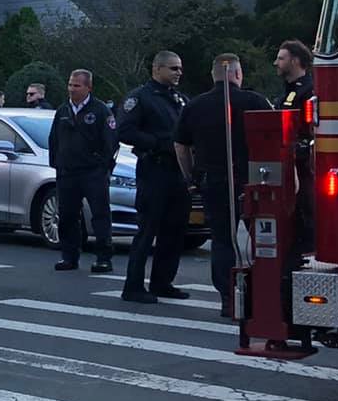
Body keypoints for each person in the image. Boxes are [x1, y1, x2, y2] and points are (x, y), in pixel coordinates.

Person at [175, 54, 274, 316]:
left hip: (214, 181)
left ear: (213, 75)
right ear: (238, 74)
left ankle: (229, 299)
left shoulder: (194, 106)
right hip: (253, 181)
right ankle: (264, 296)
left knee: (222, 241)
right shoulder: (256, 102)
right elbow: (276, 139)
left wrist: (190, 177)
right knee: (262, 239)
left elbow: (180, 145)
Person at [117, 49, 191, 305]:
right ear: (157, 69)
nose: (179, 72)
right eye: (173, 68)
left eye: (180, 68)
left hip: (177, 172)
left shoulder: (179, 99)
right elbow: (125, 131)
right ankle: (133, 286)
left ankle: (162, 281)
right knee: (147, 230)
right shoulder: (141, 98)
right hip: (154, 169)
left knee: (175, 230)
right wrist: (158, 143)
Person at [48, 68, 117, 275]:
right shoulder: (62, 111)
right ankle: (69, 256)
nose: (72, 89)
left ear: (88, 87)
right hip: (68, 172)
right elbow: (54, 140)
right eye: (70, 85)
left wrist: (102, 165)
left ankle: (103, 258)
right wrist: (57, 164)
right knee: (68, 216)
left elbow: (111, 141)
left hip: (93, 173)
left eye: (76, 86)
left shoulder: (100, 110)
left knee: (100, 215)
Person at [276, 38, 316, 254]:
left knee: (305, 213)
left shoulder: (309, 92)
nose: (276, 63)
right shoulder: (287, 92)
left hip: (303, 166)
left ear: (294, 61)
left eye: (281, 58)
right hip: (288, 164)